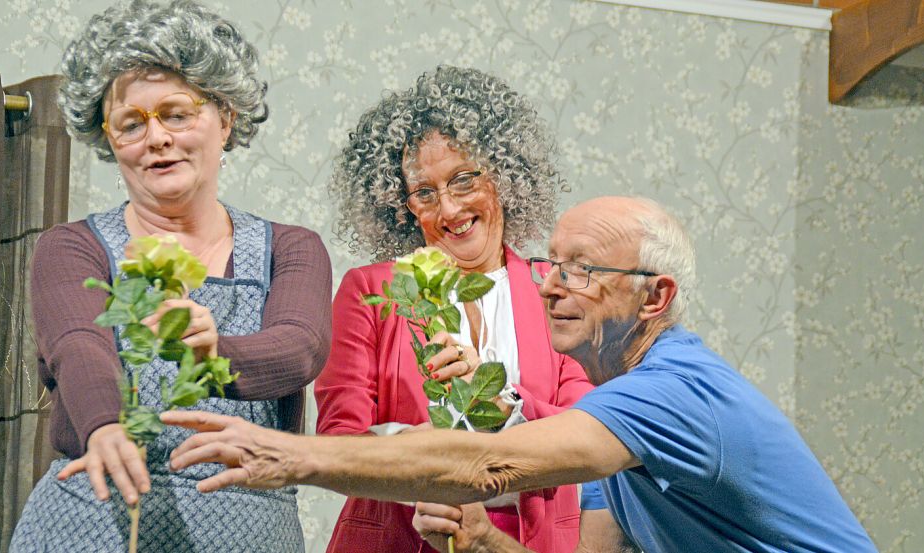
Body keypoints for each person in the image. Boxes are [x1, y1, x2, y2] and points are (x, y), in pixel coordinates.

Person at [164, 196, 878, 553]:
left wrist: (291, 455)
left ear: (654, 297)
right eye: (552, 263)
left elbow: (488, 461)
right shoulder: (612, 413)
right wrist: (488, 542)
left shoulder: (674, 391)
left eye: (583, 270)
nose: (550, 285)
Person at [9, 1, 331, 551]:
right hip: (95, 524)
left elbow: (299, 348)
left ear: (225, 118)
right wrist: (105, 425)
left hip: (247, 532)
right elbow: (79, 345)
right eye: (130, 123)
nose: (156, 138)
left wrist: (215, 352)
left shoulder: (291, 248)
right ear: (109, 140)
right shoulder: (71, 247)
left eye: (176, 113)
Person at [315, 65, 594, 552]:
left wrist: (499, 397)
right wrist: (435, 462)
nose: (447, 210)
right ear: (402, 204)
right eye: (425, 192)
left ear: (505, 177)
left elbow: (585, 434)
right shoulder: (370, 290)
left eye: (464, 180)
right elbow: (339, 445)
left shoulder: (555, 288)